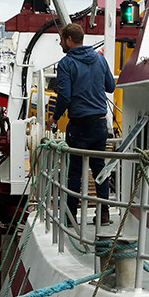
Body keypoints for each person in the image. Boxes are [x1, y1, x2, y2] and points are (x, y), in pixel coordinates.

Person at [45, 23, 116, 221]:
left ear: (69, 39)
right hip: (99, 123)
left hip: (78, 125)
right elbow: (111, 86)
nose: (60, 44)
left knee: (74, 171)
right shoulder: (100, 59)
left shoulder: (66, 63)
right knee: (99, 168)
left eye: (61, 40)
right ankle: (103, 213)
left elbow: (64, 97)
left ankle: (71, 216)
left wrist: (54, 117)